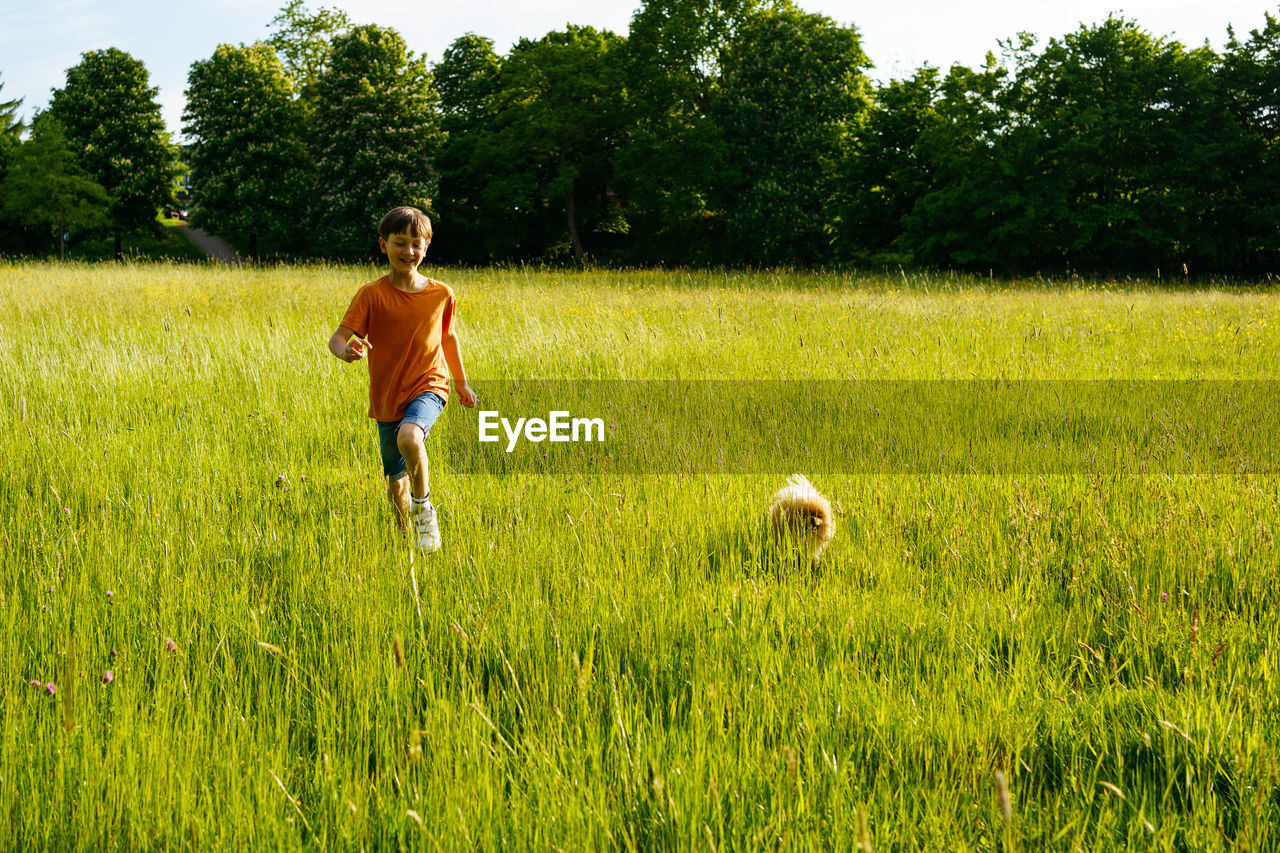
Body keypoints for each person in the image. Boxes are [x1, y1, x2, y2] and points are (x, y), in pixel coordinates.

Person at [328, 206, 477, 553]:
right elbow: (337, 338)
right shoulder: (371, 295)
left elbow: (448, 338)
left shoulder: (442, 294)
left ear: (426, 247)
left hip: (429, 384)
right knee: (396, 482)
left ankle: (424, 510)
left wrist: (460, 382)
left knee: (410, 437)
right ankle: (402, 540)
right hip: (386, 396)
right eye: (399, 243)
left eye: (416, 244)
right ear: (383, 245)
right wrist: (345, 351)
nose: (408, 251)